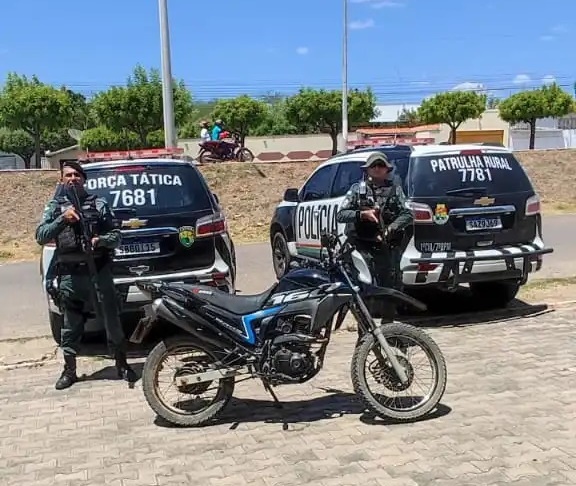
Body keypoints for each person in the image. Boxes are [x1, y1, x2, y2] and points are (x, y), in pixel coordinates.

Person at [35, 161, 137, 390]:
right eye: (68, 175)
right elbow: (41, 235)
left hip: (98, 272)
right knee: (70, 326)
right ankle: (69, 371)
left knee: (112, 320)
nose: (72, 179)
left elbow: (116, 235)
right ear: (61, 180)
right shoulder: (54, 206)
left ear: (84, 179)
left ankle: (122, 365)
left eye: (77, 175)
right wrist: (63, 219)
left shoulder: (98, 203)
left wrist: (99, 241)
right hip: (70, 276)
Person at [336, 152, 413, 320]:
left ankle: (389, 330)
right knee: (364, 288)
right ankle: (364, 333)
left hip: (386, 247)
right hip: (362, 246)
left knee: (389, 288)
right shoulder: (358, 190)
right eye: (374, 166)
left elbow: (408, 214)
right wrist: (362, 215)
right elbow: (341, 214)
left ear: (387, 169)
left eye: (381, 165)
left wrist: (391, 228)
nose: (377, 169)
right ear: (367, 170)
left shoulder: (395, 190)